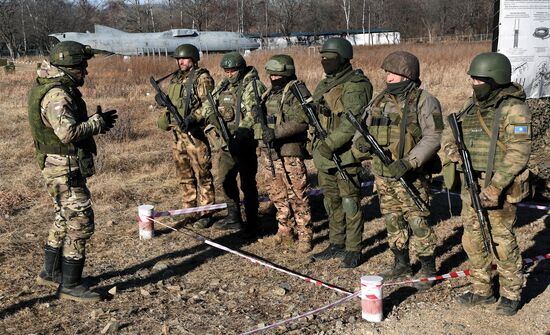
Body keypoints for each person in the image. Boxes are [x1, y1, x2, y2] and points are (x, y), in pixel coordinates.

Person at [441, 52, 531, 315]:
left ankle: (511, 293)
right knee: (472, 239)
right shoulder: (473, 105)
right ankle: (482, 290)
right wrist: (451, 149)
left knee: (501, 241)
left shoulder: (513, 108)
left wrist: (494, 187)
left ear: (495, 78)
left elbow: (519, 153)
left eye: (478, 79)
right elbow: (449, 128)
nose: (473, 82)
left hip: (499, 187)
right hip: (471, 182)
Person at [29, 41, 118, 302]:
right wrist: (95, 124)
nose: (85, 73)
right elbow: (67, 132)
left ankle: (50, 272)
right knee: (80, 221)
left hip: (56, 165)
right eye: (82, 68)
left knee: (63, 215)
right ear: (69, 67)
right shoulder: (58, 94)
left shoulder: (49, 84)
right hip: (63, 166)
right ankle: (71, 284)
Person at [352, 51, 443, 289]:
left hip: (410, 175)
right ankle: (401, 264)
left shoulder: (425, 101)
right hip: (383, 175)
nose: (388, 78)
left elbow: (434, 136)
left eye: (393, 74)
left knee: (417, 221)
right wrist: (360, 143)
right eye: (387, 73)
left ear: (407, 75)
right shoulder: (378, 101)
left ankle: (427, 268)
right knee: (392, 220)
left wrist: (410, 161)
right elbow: (363, 129)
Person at [310, 38, 373, 268]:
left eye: (329, 58)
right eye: (322, 57)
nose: (324, 62)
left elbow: (350, 123)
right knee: (331, 201)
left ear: (344, 58)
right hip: (324, 156)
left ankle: (353, 247)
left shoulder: (356, 84)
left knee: (350, 203)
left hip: (344, 155)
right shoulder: (325, 83)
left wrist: (330, 144)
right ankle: (336, 242)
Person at [204, 52, 266, 237]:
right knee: (225, 179)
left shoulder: (252, 85)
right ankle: (234, 217)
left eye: (232, 71)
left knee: (247, 184)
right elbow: (209, 104)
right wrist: (211, 116)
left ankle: (253, 223)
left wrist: (241, 133)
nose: (229, 74)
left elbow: (254, 113)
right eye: (226, 71)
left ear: (240, 68)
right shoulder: (223, 85)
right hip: (226, 144)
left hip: (245, 143)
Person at [255, 54, 313, 253]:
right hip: (270, 152)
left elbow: (302, 120)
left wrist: (276, 132)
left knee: (297, 194)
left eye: (276, 75)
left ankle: (305, 235)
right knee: (277, 193)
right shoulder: (269, 94)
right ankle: (284, 230)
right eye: (270, 75)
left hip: (289, 151)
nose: (272, 78)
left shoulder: (296, 91)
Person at [156, 44, 215, 229]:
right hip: (178, 136)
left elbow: (208, 106)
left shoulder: (202, 78)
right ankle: (188, 210)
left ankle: (206, 212)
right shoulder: (176, 78)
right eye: (178, 59)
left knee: (203, 173)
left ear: (193, 59)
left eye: (184, 59)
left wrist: (192, 119)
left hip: (195, 135)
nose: (180, 62)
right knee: (184, 175)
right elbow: (176, 103)